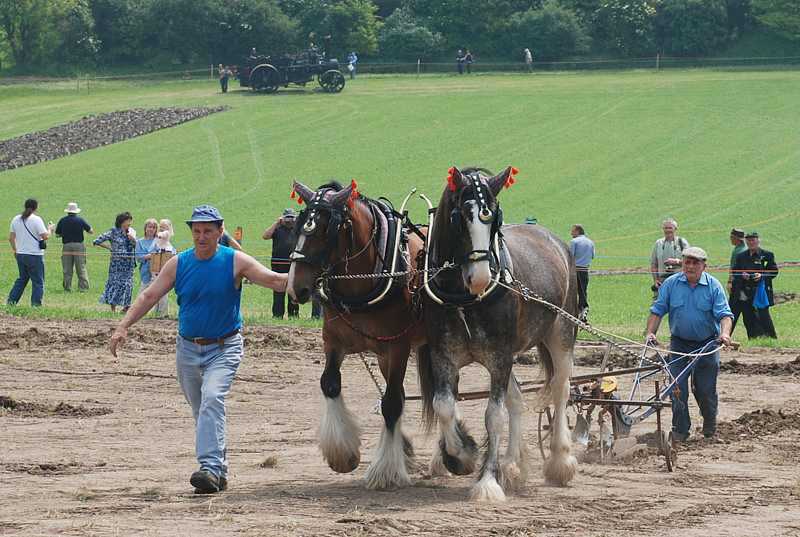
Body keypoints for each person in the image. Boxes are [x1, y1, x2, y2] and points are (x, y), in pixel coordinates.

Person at [109, 204, 288, 494]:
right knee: (203, 410)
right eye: (196, 231)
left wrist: (312, 282)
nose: (201, 236)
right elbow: (150, 295)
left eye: (207, 231)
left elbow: (275, 281)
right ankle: (219, 471)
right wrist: (123, 325)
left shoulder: (235, 261)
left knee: (212, 399)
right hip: (188, 349)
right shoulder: (179, 263)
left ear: (220, 231)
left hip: (225, 346)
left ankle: (208, 468)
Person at [645, 247, 733, 442]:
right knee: (677, 389)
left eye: (695, 263)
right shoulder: (671, 284)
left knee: (704, 390)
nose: (690, 266)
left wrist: (725, 334)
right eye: (687, 262)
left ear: (704, 266)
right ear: (682, 263)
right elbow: (658, 310)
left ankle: (709, 425)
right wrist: (651, 332)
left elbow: (725, 315)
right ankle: (680, 430)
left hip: (706, 346)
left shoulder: (713, 286)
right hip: (679, 345)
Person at [731, 232, 778, 339]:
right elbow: (735, 271)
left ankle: (771, 337)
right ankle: (753, 338)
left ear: (758, 241)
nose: (751, 242)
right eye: (748, 240)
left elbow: (774, 271)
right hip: (744, 291)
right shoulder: (741, 256)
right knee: (748, 317)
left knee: (764, 316)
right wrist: (742, 274)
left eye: (753, 240)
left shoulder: (767, 255)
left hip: (760, 291)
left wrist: (761, 275)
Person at [8, 199, 52, 306]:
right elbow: (45, 236)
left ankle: (11, 302)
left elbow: (11, 238)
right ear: (36, 208)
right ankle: (36, 305)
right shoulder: (36, 220)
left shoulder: (16, 219)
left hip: (21, 254)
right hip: (34, 255)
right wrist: (50, 229)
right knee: (38, 282)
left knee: (22, 280)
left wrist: (15, 250)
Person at [94, 212, 137, 313]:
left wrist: (133, 240)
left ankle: (126, 306)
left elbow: (137, 246)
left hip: (128, 264)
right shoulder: (113, 231)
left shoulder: (131, 232)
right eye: (128, 221)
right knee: (115, 284)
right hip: (116, 264)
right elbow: (97, 241)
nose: (130, 223)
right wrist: (110, 248)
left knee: (128, 284)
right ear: (122, 221)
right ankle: (113, 308)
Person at [263, 208, 299, 318]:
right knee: (278, 291)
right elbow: (265, 236)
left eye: (291, 218)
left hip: (294, 265)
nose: (289, 221)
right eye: (287, 218)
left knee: (293, 291)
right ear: (282, 218)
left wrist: (298, 222)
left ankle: (293, 316)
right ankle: (277, 315)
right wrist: (276, 223)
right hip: (277, 265)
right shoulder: (277, 228)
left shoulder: (297, 229)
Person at [55, 201, 93, 292]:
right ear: (76, 211)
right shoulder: (80, 220)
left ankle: (67, 287)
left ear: (67, 211)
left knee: (67, 268)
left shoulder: (62, 220)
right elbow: (91, 231)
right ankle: (83, 288)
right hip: (79, 246)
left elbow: (57, 234)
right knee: (81, 267)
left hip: (66, 246)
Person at [649, 218, 689, 299]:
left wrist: (676, 262)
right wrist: (655, 280)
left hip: (679, 280)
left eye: (670, 228)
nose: (668, 230)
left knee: (678, 306)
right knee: (657, 307)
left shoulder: (682, 242)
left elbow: (690, 262)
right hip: (662, 281)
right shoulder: (658, 243)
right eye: (665, 228)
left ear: (675, 229)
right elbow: (654, 264)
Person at [569, 224, 594, 320]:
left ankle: (574, 310)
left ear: (577, 231)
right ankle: (583, 308)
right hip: (585, 269)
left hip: (575, 270)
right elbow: (593, 256)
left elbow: (570, 256)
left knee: (573, 291)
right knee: (583, 291)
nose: (571, 233)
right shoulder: (590, 242)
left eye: (572, 230)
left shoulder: (574, 241)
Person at [727, 228, 747, 332]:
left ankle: (726, 333)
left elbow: (733, 269)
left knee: (731, 310)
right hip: (745, 285)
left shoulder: (738, 251)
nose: (730, 239)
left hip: (738, 285)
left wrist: (730, 282)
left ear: (736, 239)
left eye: (731, 237)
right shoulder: (742, 249)